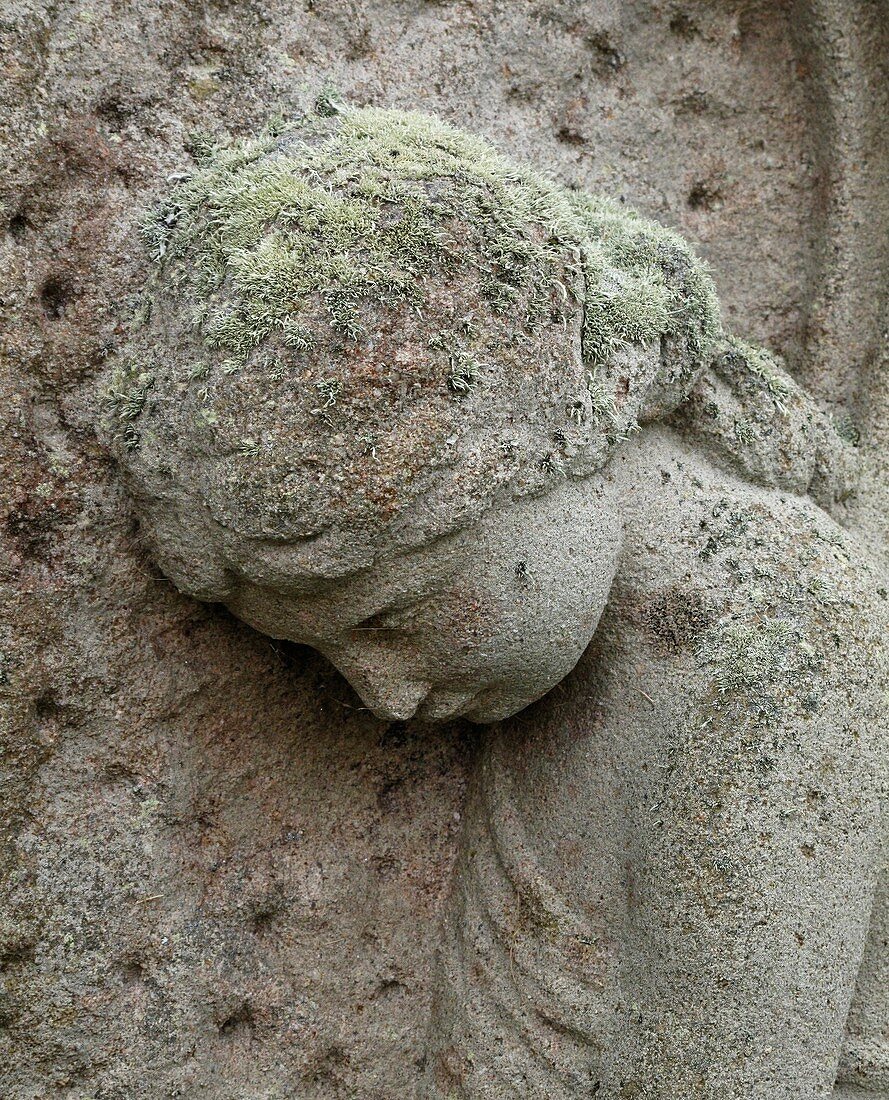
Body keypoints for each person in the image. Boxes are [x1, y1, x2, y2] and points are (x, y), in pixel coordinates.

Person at [110, 103, 888, 1098]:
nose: (382, 695)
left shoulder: (777, 632)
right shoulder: (590, 641)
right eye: (331, 654)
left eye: (386, 617)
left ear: (545, 438)